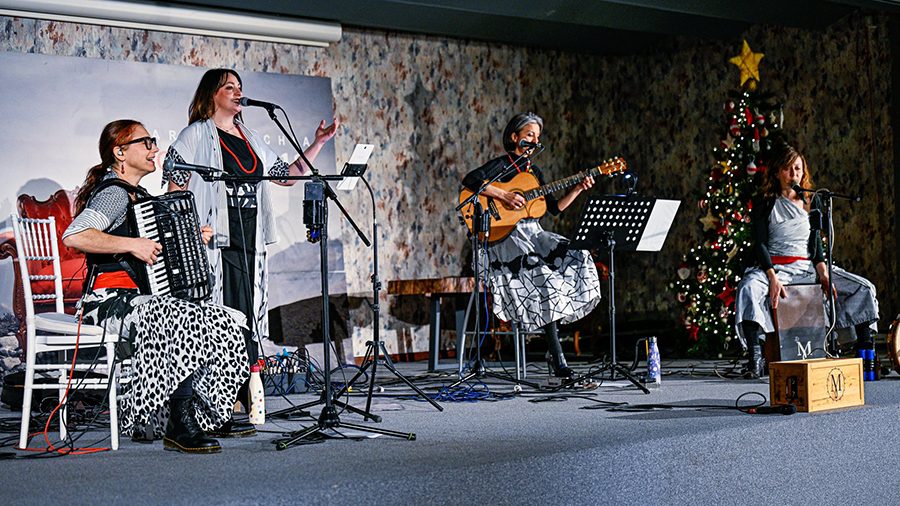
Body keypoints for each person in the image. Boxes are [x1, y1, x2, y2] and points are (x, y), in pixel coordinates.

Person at [63, 120, 252, 454]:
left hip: (138, 303)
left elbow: (153, 253)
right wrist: (132, 244)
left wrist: (191, 237)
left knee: (223, 318)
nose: (155, 149)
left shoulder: (139, 197)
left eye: (153, 141)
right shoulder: (113, 193)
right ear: (120, 152)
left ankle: (204, 414)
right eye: (146, 142)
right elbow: (75, 235)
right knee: (181, 316)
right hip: (105, 304)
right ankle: (179, 422)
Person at [162, 68, 338, 388]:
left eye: (239, 87)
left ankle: (246, 390)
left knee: (247, 310)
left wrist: (318, 143)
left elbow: (286, 176)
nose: (238, 92)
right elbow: (175, 190)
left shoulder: (251, 138)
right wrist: (189, 231)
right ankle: (216, 388)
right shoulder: (195, 134)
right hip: (217, 235)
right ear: (212, 95)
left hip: (250, 232)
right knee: (222, 310)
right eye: (229, 87)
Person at [461, 112, 601, 377]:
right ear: (515, 137)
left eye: (537, 136)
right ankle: (557, 356)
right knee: (542, 274)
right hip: (505, 237)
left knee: (577, 253)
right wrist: (504, 195)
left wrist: (578, 189)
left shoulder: (534, 173)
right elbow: (470, 180)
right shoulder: (502, 165)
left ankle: (555, 348)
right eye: (529, 135)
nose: (535, 140)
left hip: (532, 233)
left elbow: (554, 209)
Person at [735, 141, 879, 378]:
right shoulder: (765, 201)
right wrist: (772, 278)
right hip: (776, 268)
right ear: (777, 172)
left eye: (798, 168)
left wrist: (823, 273)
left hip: (807, 267)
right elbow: (760, 243)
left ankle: (865, 354)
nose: (794, 174)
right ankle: (755, 358)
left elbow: (815, 244)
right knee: (748, 287)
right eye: (788, 168)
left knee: (863, 288)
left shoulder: (813, 200)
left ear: (804, 172)